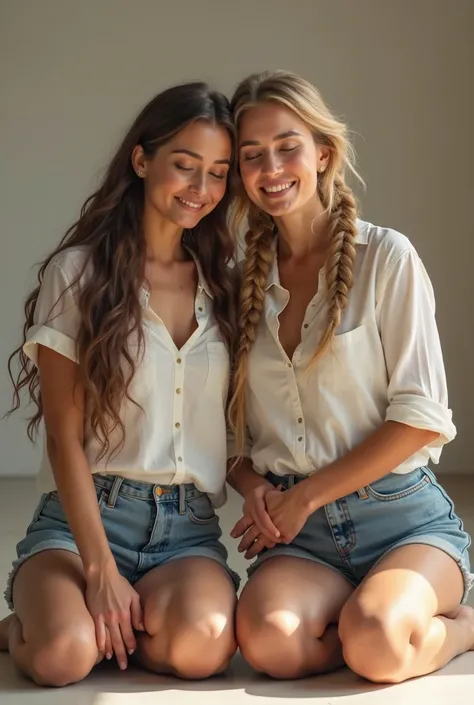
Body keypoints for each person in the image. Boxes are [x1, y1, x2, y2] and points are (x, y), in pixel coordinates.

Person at [226, 69, 473, 683]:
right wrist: (250, 481)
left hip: (402, 519)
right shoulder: (236, 286)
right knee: (269, 645)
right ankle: (363, 619)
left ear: (323, 153)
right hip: (302, 541)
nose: (272, 167)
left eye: (288, 147)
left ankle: (454, 623)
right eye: (252, 155)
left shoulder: (388, 259)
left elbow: (420, 420)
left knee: (380, 646)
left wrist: (306, 495)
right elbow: (223, 427)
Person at [0, 82, 240, 687]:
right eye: (185, 166)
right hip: (87, 518)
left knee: (202, 652)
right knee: (62, 659)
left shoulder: (228, 283)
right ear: (141, 160)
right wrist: (99, 568)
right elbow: (62, 436)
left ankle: (113, 627)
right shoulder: (76, 274)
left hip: (186, 527)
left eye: (217, 173)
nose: (200, 190)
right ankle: (28, 625)